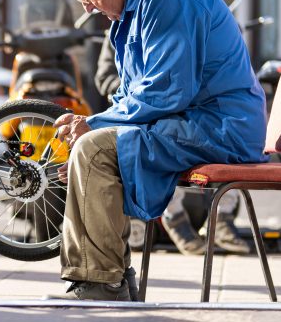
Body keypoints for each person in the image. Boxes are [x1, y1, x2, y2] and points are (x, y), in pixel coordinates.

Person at [51, 0, 266, 301]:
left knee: (95, 150)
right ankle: (109, 278)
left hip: (222, 126)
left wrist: (97, 123)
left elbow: (167, 90)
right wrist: (98, 121)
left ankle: (101, 283)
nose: (87, 8)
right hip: (197, 120)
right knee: (94, 146)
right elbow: (133, 90)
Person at [94, 37, 251, 256]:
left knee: (207, 135)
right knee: (159, 145)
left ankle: (222, 216)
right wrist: (132, 90)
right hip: (138, 107)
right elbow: (104, 77)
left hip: (193, 111)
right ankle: (174, 217)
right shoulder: (117, 32)